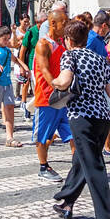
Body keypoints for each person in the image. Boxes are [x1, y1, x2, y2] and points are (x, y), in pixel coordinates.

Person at [50, 19, 110, 219]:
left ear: (68, 40)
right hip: (103, 119)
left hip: (82, 118)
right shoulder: (100, 59)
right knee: (82, 160)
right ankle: (67, 201)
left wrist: (49, 80)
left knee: (94, 167)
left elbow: (64, 81)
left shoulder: (69, 55)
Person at [31, 9, 75, 181]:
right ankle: (43, 166)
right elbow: (44, 70)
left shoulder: (63, 44)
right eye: (64, 23)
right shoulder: (43, 44)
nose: (66, 26)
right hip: (47, 98)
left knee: (73, 132)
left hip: (63, 97)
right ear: (53, 24)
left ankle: (78, 165)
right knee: (43, 135)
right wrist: (57, 87)